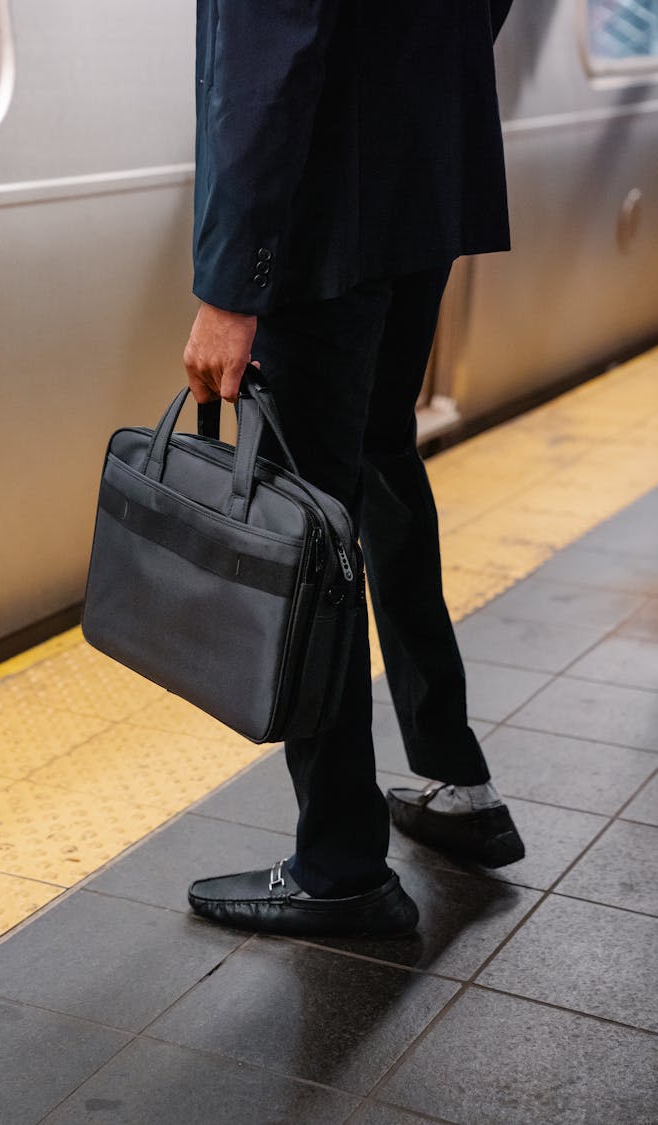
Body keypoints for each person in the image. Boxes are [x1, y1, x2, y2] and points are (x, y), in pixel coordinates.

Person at [182, 1, 524, 937]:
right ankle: (453, 773)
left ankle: (339, 862)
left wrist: (229, 284)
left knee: (309, 519)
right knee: (380, 459)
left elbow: (267, 55)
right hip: (422, 173)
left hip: (320, 206)